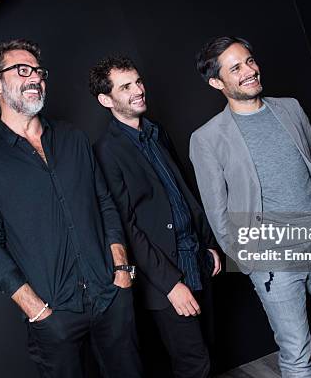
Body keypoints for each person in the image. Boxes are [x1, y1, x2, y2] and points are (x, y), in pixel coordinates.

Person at [189, 36, 311, 377]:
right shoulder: (207, 138)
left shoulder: (290, 108)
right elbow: (216, 212)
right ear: (217, 82)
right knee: (296, 352)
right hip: (272, 261)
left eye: (249, 61)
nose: (250, 71)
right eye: (236, 68)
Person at [0, 39, 142, 378]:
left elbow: (105, 204)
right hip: (53, 313)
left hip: (110, 296)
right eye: (22, 71)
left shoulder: (73, 138)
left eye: (39, 72)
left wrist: (121, 271)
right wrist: (35, 309)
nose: (35, 79)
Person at [89, 56, 221, 378]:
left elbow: (181, 191)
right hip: (165, 277)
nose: (138, 90)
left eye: (138, 81)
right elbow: (126, 227)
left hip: (197, 258)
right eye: (126, 86)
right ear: (106, 100)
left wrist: (208, 243)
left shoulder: (156, 132)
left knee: (210, 353)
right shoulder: (106, 152)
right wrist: (170, 284)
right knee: (193, 364)